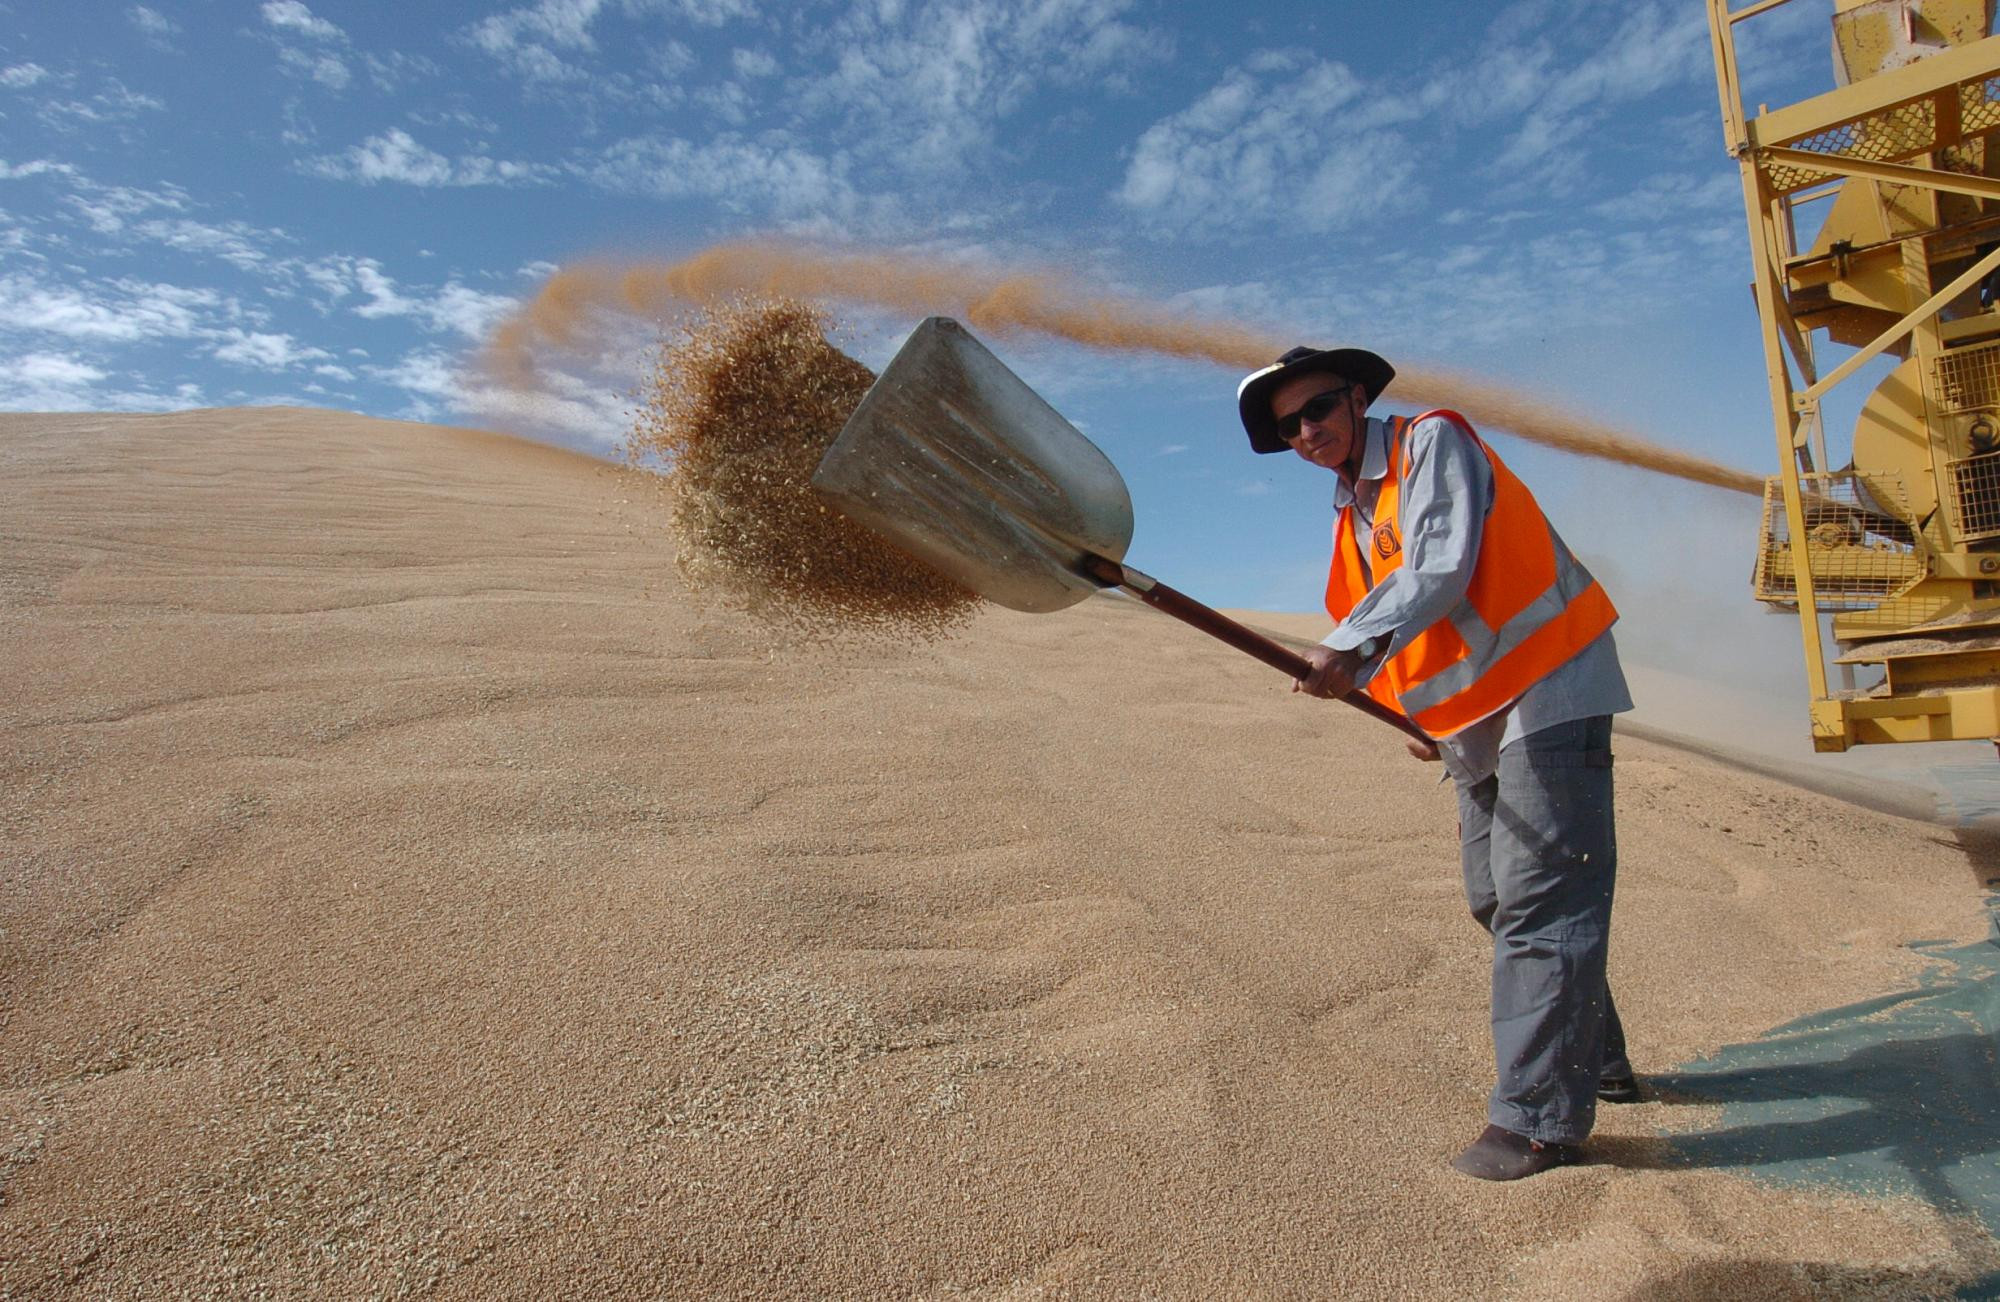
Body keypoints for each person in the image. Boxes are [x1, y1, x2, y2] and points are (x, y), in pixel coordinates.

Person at [1237, 345, 1639, 1182]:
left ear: (1355, 398)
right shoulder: (1350, 528)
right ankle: (1596, 1057)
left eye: (1316, 410)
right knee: (1495, 898)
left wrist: (1349, 647)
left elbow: (1441, 566)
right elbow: (1398, 642)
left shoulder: (1431, 441)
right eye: (1288, 426)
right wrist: (1409, 710)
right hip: (1472, 727)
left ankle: (1538, 1122)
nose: (1306, 431)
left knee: (1540, 897)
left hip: (1549, 684)